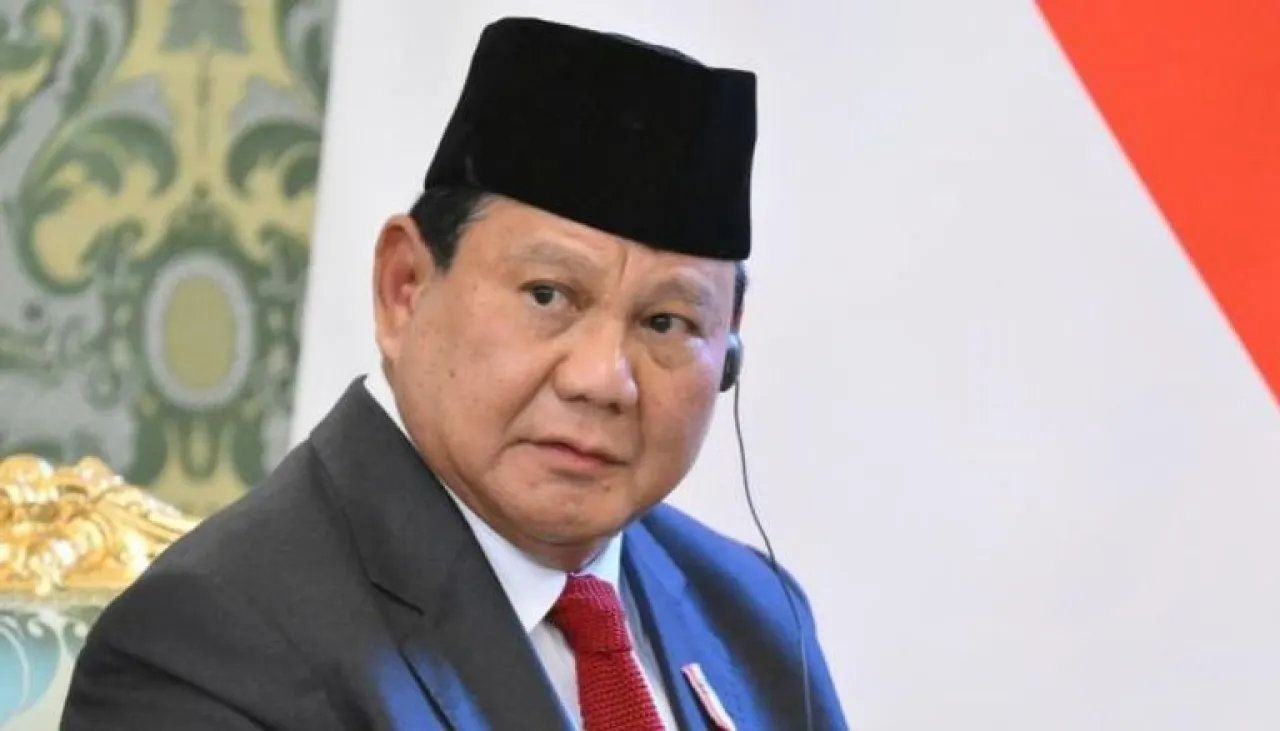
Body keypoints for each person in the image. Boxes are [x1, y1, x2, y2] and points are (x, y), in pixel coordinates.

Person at [61, 16, 848, 731]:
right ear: (404, 287)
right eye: (548, 295)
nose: (602, 380)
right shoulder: (208, 647)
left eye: (666, 322)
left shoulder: (755, 615)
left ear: (728, 350)